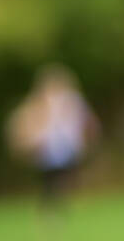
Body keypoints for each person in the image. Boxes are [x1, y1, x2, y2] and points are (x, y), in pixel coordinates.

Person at [7, 65, 99, 207]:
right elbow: (26, 124)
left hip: (69, 147)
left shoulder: (74, 102)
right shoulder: (38, 103)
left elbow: (87, 123)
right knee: (50, 182)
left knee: (66, 179)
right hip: (47, 150)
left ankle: (64, 204)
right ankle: (53, 208)